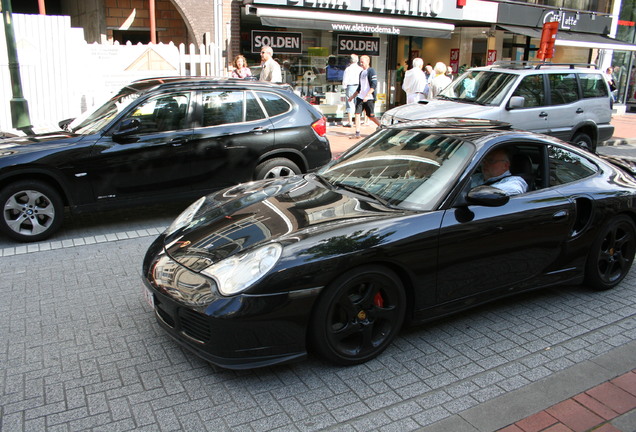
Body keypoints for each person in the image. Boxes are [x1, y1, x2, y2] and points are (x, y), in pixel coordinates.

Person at [348, 55, 381, 139]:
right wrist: (352, 96)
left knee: (370, 116)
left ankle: (381, 125)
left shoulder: (371, 71)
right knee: (357, 113)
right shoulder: (361, 72)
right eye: (360, 62)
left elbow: (374, 85)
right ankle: (357, 132)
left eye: (362, 62)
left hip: (369, 98)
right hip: (360, 97)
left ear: (368, 62)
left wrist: (367, 95)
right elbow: (360, 87)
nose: (361, 63)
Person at [342, 54, 363, 127]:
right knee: (358, 103)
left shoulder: (348, 69)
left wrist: (344, 87)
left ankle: (350, 122)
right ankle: (358, 121)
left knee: (350, 103)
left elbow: (345, 79)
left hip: (350, 86)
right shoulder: (360, 69)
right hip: (359, 87)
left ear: (350, 60)